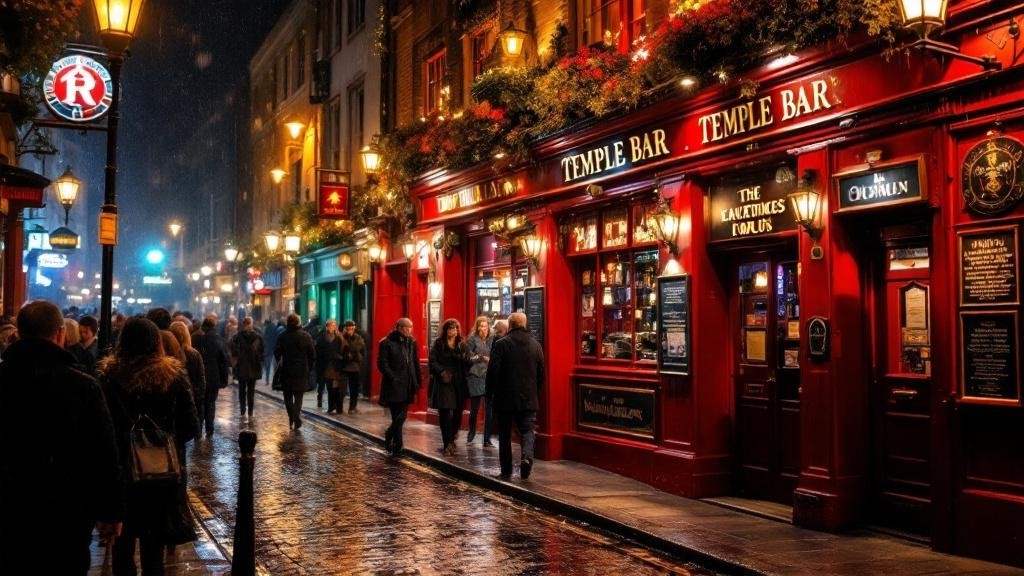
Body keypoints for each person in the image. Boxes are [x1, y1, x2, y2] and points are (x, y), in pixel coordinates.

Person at [0, 300, 123, 575]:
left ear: (18, 334)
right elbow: (104, 453)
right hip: (67, 513)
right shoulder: (82, 385)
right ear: (60, 334)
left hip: (10, 509)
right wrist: (111, 511)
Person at [98, 317, 198, 576]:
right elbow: (191, 426)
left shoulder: (108, 379)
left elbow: (100, 428)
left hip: (120, 476)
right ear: (156, 344)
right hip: (159, 476)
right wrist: (162, 443)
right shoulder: (173, 377)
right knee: (153, 552)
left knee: (122, 549)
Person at [486, 312, 544, 480]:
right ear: (524, 325)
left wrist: (489, 393)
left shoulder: (501, 344)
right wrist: (535, 393)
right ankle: (526, 458)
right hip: (528, 398)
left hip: (505, 398)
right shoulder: (536, 345)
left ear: (510, 326)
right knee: (527, 431)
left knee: (504, 434)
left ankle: (506, 469)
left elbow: (493, 372)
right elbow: (541, 374)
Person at [378, 318, 421, 457]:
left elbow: (415, 362)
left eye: (411, 327)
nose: (409, 330)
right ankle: (398, 444)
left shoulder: (412, 342)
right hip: (394, 385)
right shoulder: (386, 343)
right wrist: (393, 377)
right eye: (406, 327)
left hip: (408, 384)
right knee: (397, 415)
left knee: (402, 415)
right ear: (399, 328)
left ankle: (392, 436)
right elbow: (382, 363)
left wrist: (418, 381)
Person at [428, 318, 471, 457]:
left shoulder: (462, 344)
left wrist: (467, 360)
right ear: (445, 330)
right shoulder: (439, 344)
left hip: (459, 383)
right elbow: (432, 361)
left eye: (455, 328)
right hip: (444, 382)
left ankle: (452, 439)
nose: (453, 331)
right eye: (450, 328)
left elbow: (468, 363)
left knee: (458, 414)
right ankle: (447, 443)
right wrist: (441, 372)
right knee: (445, 413)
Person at [275, 313, 316, 429]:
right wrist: (309, 367)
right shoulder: (306, 336)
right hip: (301, 370)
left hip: (286, 370)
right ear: (298, 322)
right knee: (298, 397)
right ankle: (295, 417)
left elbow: (276, 352)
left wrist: (280, 360)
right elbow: (312, 354)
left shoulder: (282, 336)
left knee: (287, 396)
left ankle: (292, 418)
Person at [192, 316, 229, 438]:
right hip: (214, 376)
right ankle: (210, 429)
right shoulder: (219, 340)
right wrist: (224, 379)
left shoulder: (196, 339)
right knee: (211, 403)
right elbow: (223, 362)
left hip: (199, 376)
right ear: (214, 326)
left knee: (200, 403)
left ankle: (198, 429)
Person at [169, 321, 207, 432]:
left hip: (174, 400)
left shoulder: (168, 354)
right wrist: (197, 397)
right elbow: (201, 378)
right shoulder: (194, 354)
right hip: (190, 398)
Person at [466, 315, 495, 447]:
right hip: (475, 376)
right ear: (477, 327)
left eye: (485, 326)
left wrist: (491, 359)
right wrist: (481, 357)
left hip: (489, 377)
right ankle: (471, 431)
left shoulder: (492, 339)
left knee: (489, 409)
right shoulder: (472, 339)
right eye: (481, 326)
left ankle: (487, 438)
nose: (483, 328)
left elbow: (496, 354)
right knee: (475, 408)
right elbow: (468, 357)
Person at [231, 317, 264, 420]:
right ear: (251, 324)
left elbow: (233, 351)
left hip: (241, 367)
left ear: (243, 324)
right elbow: (262, 352)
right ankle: (250, 411)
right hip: (253, 367)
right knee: (251, 391)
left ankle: (242, 410)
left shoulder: (237, 337)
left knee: (241, 390)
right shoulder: (258, 337)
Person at [314, 319, 343, 411]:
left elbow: (342, 349)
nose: (333, 327)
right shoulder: (321, 338)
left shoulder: (338, 337)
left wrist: (339, 357)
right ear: (327, 327)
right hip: (324, 365)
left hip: (335, 366)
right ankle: (323, 401)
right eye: (331, 325)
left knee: (335, 387)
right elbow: (317, 351)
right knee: (325, 385)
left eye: (334, 325)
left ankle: (336, 406)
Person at [339, 319, 366, 414]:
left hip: (355, 366)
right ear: (345, 328)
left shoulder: (358, 337)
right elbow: (340, 350)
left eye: (352, 326)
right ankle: (339, 407)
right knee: (342, 389)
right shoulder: (341, 337)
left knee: (354, 388)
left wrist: (356, 356)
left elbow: (360, 349)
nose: (350, 328)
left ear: (354, 327)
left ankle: (352, 406)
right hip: (344, 366)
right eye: (348, 326)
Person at [263, 318, 281, 383]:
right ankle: (274, 380)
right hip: (274, 348)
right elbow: (277, 338)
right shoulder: (275, 328)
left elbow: (264, 338)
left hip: (268, 349)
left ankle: (267, 380)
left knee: (267, 365)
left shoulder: (266, 329)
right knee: (275, 366)